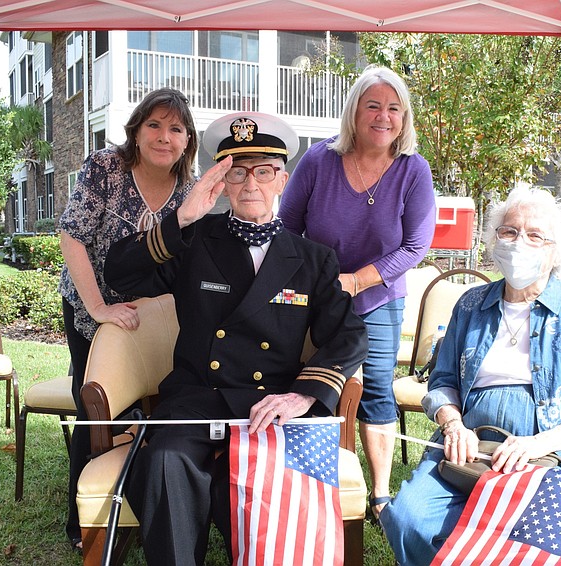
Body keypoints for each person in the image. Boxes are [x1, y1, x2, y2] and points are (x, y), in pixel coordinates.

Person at [104, 111, 368, 565]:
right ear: (222, 182)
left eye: (263, 171)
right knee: (165, 463)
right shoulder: (194, 240)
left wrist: (302, 397)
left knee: (273, 485)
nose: (250, 184)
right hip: (195, 402)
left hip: (270, 408)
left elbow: (349, 333)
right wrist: (180, 219)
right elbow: (118, 274)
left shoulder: (312, 259)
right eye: (237, 172)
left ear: (282, 179)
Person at [379, 186, 561, 565]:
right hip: (469, 444)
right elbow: (442, 382)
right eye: (509, 231)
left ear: (556, 250)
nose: (518, 242)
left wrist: (538, 444)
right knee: (408, 520)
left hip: (551, 450)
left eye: (534, 235)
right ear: (494, 240)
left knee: (523, 542)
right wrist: (453, 426)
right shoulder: (471, 304)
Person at [278, 65, 436, 519]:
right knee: (306, 381)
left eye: (394, 108)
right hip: (313, 296)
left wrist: (354, 281)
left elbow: (416, 245)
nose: (383, 116)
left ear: (403, 119)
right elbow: (288, 226)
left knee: (377, 390)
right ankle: (310, 479)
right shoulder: (318, 159)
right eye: (373, 105)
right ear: (354, 111)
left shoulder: (413, 170)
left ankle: (380, 494)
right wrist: (313, 280)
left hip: (379, 298)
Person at [57, 87, 199, 551]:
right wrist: (99, 309)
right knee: (95, 406)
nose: (164, 136)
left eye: (175, 129)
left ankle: (139, 497)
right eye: (154, 125)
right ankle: (86, 523)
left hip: (151, 317)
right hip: (91, 305)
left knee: (155, 405)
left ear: (188, 141)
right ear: (136, 131)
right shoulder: (107, 168)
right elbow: (72, 237)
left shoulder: (189, 189)